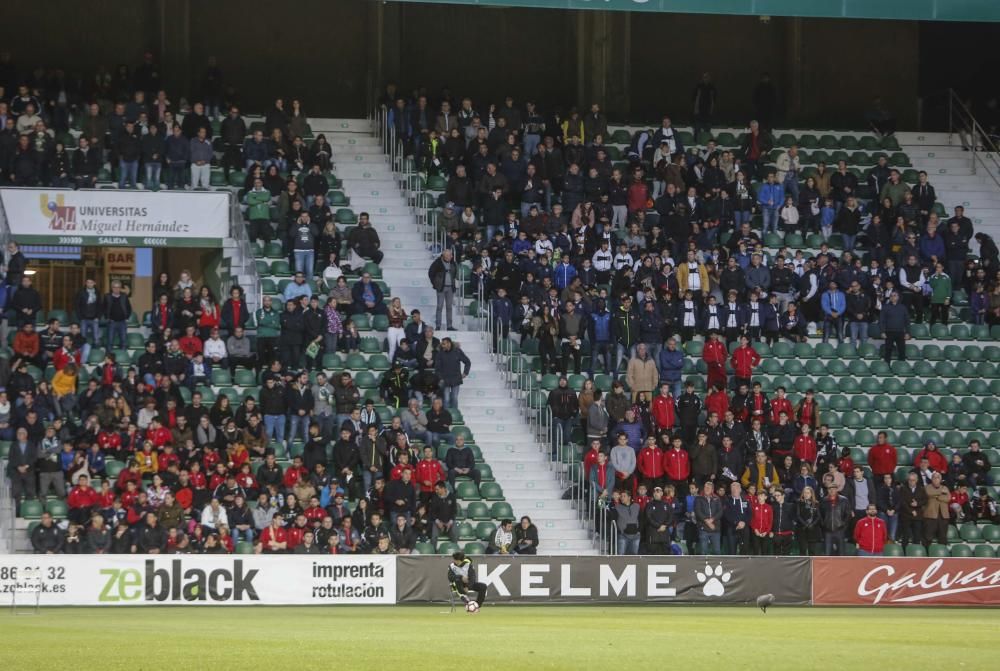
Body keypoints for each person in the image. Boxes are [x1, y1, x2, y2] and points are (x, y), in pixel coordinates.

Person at [819, 484, 851, 555]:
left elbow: (848, 515)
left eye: (833, 488)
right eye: (830, 488)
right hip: (827, 530)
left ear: (837, 489)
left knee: (841, 553)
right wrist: (824, 524)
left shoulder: (844, 500)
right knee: (827, 553)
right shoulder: (824, 500)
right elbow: (820, 514)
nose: (832, 490)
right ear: (827, 490)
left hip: (840, 530)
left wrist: (843, 525)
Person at [923, 471, 950, 548]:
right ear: (931, 479)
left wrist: (937, 496)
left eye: (938, 477)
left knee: (943, 536)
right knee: (928, 536)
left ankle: (943, 554)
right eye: (934, 477)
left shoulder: (945, 488)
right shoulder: (927, 487)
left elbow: (948, 498)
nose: (936, 479)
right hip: (930, 515)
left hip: (943, 515)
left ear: (941, 479)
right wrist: (941, 493)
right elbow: (929, 493)